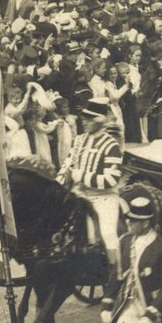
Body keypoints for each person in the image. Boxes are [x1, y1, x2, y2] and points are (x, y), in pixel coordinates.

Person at [55, 98, 123, 303]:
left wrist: (81, 177)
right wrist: (58, 183)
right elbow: (68, 164)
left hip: (103, 198)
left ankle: (118, 274)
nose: (84, 121)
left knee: (108, 233)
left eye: (89, 118)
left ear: (100, 121)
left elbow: (112, 179)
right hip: (79, 194)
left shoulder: (111, 144)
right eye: (84, 118)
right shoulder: (79, 140)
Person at [102, 196, 162, 323]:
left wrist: (150, 315)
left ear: (145, 223)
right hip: (126, 303)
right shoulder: (125, 241)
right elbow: (116, 274)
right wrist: (107, 304)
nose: (128, 223)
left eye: (133, 220)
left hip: (150, 304)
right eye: (129, 219)